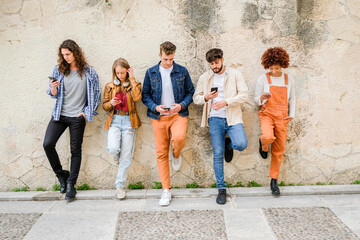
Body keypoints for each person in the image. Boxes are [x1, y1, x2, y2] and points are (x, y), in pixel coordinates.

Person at [43, 39, 100, 200]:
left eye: (68, 54)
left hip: (77, 117)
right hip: (59, 115)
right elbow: (53, 94)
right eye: (63, 55)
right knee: (48, 144)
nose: (66, 57)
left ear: (75, 52)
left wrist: (86, 111)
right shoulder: (59, 69)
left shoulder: (89, 72)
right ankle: (61, 174)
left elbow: (96, 95)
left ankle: (71, 185)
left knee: (75, 150)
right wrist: (53, 88)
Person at [142, 41, 195, 206]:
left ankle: (177, 154)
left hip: (178, 114)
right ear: (159, 55)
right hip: (158, 117)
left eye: (171, 59)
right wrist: (155, 107)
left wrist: (182, 105)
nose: (168, 62)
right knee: (161, 153)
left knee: (179, 139)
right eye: (165, 59)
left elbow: (190, 92)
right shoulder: (151, 73)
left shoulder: (182, 71)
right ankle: (166, 190)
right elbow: (145, 95)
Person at [193, 48, 248, 205]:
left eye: (216, 62)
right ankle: (221, 189)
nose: (214, 66)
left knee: (241, 144)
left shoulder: (235, 74)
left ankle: (228, 144)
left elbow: (244, 95)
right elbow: (195, 98)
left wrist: (227, 101)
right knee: (218, 154)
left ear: (222, 59)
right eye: (211, 64)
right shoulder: (205, 77)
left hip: (233, 117)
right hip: (215, 119)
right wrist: (205, 97)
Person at [254, 47, 296, 197]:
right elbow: (255, 98)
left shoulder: (288, 79)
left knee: (278, 151)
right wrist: (262, 98)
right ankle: (263, 146)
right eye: (271, 68)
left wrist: (291, 115)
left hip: (282, 116)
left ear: (282, 65)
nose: (274, 71)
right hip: (267, 114)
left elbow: (292, 98)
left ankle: (274, 181)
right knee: (267, 136)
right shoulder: (263, 78)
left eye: (277, 68)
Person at [102, 58, 142, 200]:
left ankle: (119, 186)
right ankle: (116, 154)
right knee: (113, 149)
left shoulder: (134, 84)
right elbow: (104, 105)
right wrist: (111, 103)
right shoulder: (110, 86)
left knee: (126, 157)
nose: (120, 75)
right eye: (117, 73)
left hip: (129, 121)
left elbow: (137, 98)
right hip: (114, 120)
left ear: (127, 70)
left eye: (123, 72)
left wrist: (132, 78)